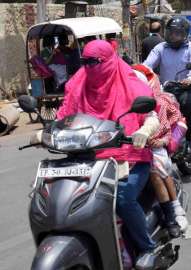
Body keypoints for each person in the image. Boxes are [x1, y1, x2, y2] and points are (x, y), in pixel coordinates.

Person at [48, 40, 160, 266]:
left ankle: (148, 247)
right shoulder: (78, 84)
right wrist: (49, 131)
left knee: (122, 198)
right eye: (85, 62)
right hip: (87, 158)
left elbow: (152, 115)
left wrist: (144, 130)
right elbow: (64, 115)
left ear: (108, 60)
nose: (89, 67)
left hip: (129, 155)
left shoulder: (130, 82)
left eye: (94, 62)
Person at [133, 64, 189, 237]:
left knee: (156, 170)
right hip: (122, 148)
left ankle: (173, 213)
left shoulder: (156, 103)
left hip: (151, 146)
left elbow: (162, 128)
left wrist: (159, 140)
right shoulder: (114, 98)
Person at [143, 16, 191, 153]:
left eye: (178, 33)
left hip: (186, 88)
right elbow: (148, 64)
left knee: (187, 105)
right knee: (150, 108)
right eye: (171, 32)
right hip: (165, 89)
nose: (173, 36)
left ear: (185, 34)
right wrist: (139, 72)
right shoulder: (161, 47)